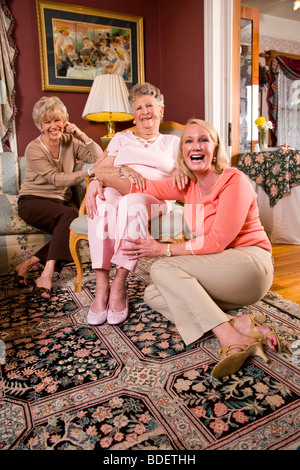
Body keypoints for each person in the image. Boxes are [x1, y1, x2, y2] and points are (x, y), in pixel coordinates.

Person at [92, 118, 279, 379]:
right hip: (221, 269)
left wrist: (163, 250)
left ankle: (230, 338)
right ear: (182, 151)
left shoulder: (233, 180)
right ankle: (238, 323)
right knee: (153, 295)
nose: (196, 146)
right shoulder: (187, 184)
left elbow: (216, 241)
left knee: (163, 267)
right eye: (188, 141)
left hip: (251, 267)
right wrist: (97, 180)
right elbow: (142, 186)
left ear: (215, 148)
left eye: (203, 139)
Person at [86, 82, 186, 327]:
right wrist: (98, 180)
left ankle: (119, 283)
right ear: (134, 115)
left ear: (161, 110)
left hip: (154, 195)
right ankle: (101, 287)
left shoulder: (174, 144)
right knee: (104, 201)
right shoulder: (121, 138)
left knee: (132, 202)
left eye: (149, 106)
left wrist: (182, 174)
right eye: (139, 108)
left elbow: (184, 176)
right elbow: (98, 168)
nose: (144, 112)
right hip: (115, 188)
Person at [15, 96, 103, 300]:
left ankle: (27, 264)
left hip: (58, 205)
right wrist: (89, 174)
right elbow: (56, 179)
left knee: (69, 221)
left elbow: (98, 157)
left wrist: (81, 134)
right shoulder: (33, 148)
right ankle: (46, 274)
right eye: (47, 122)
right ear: (40, 125)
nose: (53, 126)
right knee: (71, 217)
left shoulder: (70, 141)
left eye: (57, 120)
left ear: (65, 121)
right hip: (32, 201)